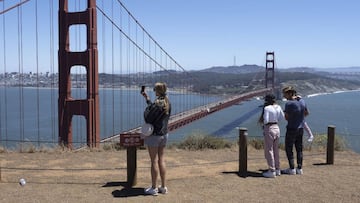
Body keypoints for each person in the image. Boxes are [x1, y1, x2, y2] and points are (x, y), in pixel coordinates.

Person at [141, 82, 171, 195]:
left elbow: (147, 117)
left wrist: (148, 103)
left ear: (157, 91)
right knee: (161, 160)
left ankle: (153, 188)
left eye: (154, 89)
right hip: (164, 134)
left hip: (154, 136)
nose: (154, 91)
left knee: (153, 161)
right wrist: (147, 99)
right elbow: (154, 109)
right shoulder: (167, 102)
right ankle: (163, 187)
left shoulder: (157, 103)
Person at [281, 86, 308, 175]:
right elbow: (306, 113)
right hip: (300, 129)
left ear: (289, 93)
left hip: (292, 128)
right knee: (299, 149)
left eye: (284, 94)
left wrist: (293, 117)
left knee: (289, 149)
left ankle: (292, 168)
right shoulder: (302, 101)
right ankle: (299, 169)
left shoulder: (289, 104)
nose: (284, 96)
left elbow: (286, 117)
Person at [258, 94, 284, 178]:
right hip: (277, 128)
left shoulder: (266, 108)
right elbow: (282, 117)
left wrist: (265, 126)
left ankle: (272, 170)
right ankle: (277, 169)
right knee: (276, 149)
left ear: (266, 100)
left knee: (269, 150)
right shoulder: (279, 107)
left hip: (269, 128)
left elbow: (265, 120)